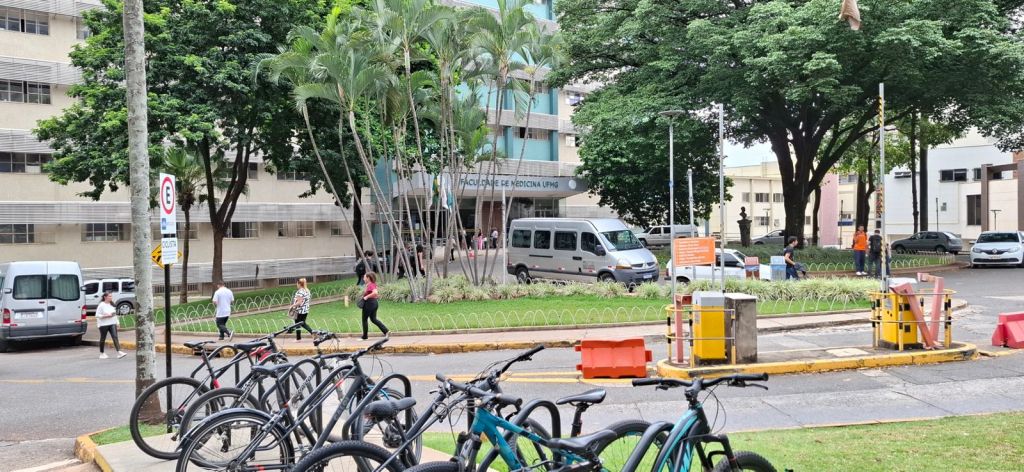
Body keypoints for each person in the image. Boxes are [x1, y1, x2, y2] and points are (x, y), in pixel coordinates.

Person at [95, 292, 127, 359]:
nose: (111, 297)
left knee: (115, 336)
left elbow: (114, 315)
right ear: (105, 297)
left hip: (112, 323)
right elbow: (97, 315)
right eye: (109, 296)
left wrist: (117, 323)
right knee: (103, 338)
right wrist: (105, 316)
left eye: (111, 296)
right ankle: (102, 353)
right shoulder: (101, 305)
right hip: (103, 324)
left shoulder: (112, 305)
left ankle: (119, 352)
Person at [360, 272, 389, 340]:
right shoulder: (371, 284)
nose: (363, 278)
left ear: (368, 278)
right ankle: (386, 331)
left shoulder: (371, 285)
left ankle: (365, 336)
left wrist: (366, 297)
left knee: (364, 319)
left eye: (364, 277)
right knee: (373, 319)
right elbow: (375, 294)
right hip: (374, 303)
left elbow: (375, 293)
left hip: (369, 304)